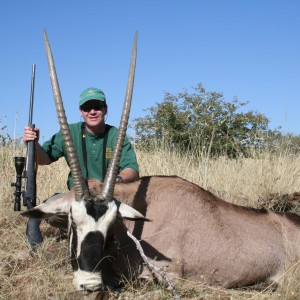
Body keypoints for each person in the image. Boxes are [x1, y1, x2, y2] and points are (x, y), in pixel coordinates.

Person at [23, 87, 139, 189]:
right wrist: (33, 144)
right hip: (77, 197)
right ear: (81, 112)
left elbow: (132, 169)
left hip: (110, 194)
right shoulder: (69, 132)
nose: (92, 112)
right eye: (87, 108)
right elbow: (45, 159)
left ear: (105, 109)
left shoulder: (116, 135)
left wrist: (115, 181)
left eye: (97, 107)